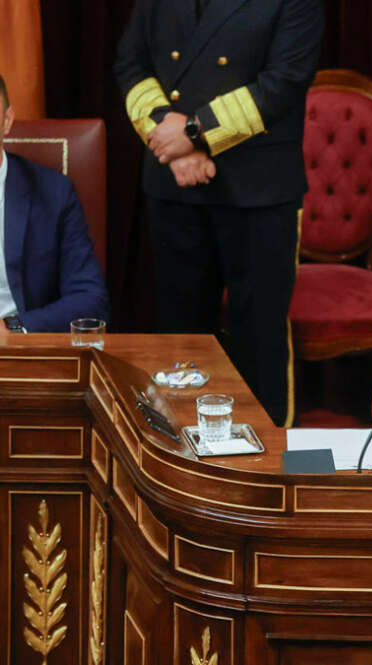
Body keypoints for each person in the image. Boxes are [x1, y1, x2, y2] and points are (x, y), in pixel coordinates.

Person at [113, 0, 323, 425]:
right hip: (175, 186)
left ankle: (265, 465)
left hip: (257, 191)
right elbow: (130, 64)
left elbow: (283, 82)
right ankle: (179, 460)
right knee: (180, 338)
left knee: (259, 339)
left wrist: (194, 134)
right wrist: (170, 142)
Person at [0, 74, 108, 333]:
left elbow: (90, 298)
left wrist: (14, 329)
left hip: (18, 347)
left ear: (7, 121)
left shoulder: (52, 191)